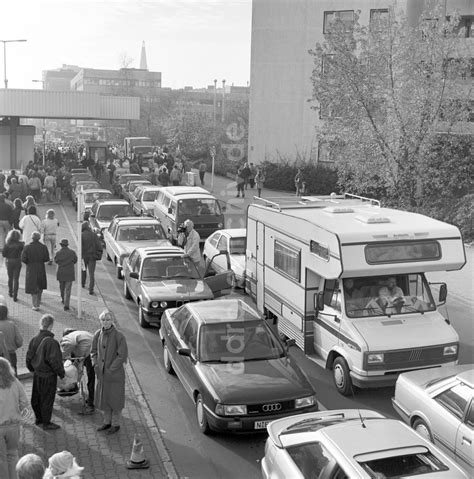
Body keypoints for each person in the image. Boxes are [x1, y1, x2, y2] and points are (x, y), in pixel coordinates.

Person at [91, 310, 128, 435]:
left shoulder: (119, 336)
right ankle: (107, 422)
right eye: (103, 320)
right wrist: (95, 364)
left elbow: (122, 355)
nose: (105, 322)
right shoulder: (97, 334)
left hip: (115, 375)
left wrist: (111, 368)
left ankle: (115, 424)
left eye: (107, 320)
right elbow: (93, 351)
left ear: (112, 321)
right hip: (102, 374)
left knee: (115, 401)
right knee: (105, 399)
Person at [25, 314, 65, 430]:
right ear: (51, 326)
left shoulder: (34, 339)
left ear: (41, 324)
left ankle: (38, 419)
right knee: (47, 399)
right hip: (48, 376)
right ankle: (46, 423)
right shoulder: (52, 343)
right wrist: (61, 374)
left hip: (37, 375)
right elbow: (55, 362)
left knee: (36, 398)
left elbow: (28, 357)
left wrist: (32, 370)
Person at [0, 358, 29, 479]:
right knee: (12, 455)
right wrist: (20, 415)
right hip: (14, 426)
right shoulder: (14, 382)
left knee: (1, 460)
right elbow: (24, 402)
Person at [60, 329, 95, 414]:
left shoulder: (70, 340)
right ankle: (91, 399)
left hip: (92, 353)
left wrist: (60, 357)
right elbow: (76, 358)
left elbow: (76, 358)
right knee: (90, 375)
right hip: (91, 350)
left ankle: (91, 404)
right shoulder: (79, 336)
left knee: (91, 377)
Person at [21, 231, 49, 311]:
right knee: (40, 284)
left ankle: (35, 304)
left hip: (31, 267)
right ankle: (39, 300)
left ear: (32, 238)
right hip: (40, 267)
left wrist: (28, 263)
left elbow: (23, 259)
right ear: (39, 238)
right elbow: (46, 258)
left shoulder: (27, 247)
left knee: (32, 286)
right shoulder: (43, 247)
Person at [54, 239, 77, 311]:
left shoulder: (58, 253)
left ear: (61, 245)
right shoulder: (72, 253)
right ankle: (66, 305)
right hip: (69, 273)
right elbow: (75, 260)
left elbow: (56, 261)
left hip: (61, 272)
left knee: (62, 287)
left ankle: (63, 299)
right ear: (67, 245)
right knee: (68, 289)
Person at [0, 303, 23, 376]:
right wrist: (15, 346)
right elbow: (19, 341)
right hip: (11, 354)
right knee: (12, 376)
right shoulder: (12, 325)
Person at [2, 229, 24, 302]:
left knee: (10, 278)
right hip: (17, 261)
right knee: (16, 279)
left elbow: (4, 254)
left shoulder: (7, 244)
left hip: (9, 261)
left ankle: (10, 292)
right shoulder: (21, 244)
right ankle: (15, 295)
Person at [81, 221, 102, 296]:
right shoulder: (94, 235)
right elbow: (99, 246)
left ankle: (82, 283)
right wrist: (98, 255)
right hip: (92, 257)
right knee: (91, 274)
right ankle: (91, 289)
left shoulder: (82, 235)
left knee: (83, 270)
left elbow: (80, 246)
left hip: (83, 257)